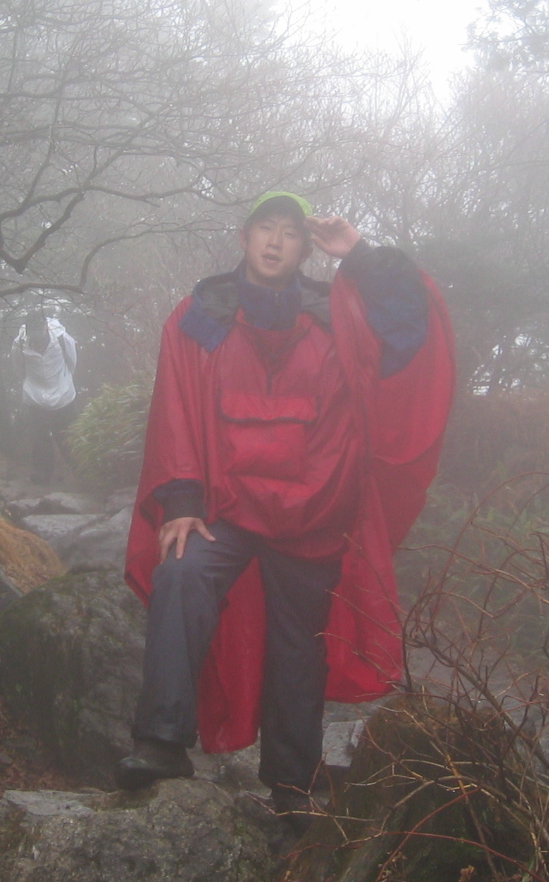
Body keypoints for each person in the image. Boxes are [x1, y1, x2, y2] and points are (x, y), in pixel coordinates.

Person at [118, 191, 454, 825]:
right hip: (227, 505)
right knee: (182, 574)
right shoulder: (203, 315)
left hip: (313, 515)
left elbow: (410, 330)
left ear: (305, 248)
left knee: (300, 647)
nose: (275, 242)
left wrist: (359, 255)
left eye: (290, 233)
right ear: (244, 237)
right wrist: (183, 499)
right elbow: (176, 403)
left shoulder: (335, 316)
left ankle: (293, 788)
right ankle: (160, 742)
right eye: (265, 228)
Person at [12, 311, 78, 488]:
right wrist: (31, 386)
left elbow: (72, 362)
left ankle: (78, 471)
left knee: (67, 434)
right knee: (39, 437)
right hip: (34, 397)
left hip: (63, 395)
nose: (37, 342)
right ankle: (42, 475)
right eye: (33, 338)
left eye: (40, 337)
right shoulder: (19, 344)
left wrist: (63, 381)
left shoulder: (63, 339)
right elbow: (19, 369)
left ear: (46, 328)